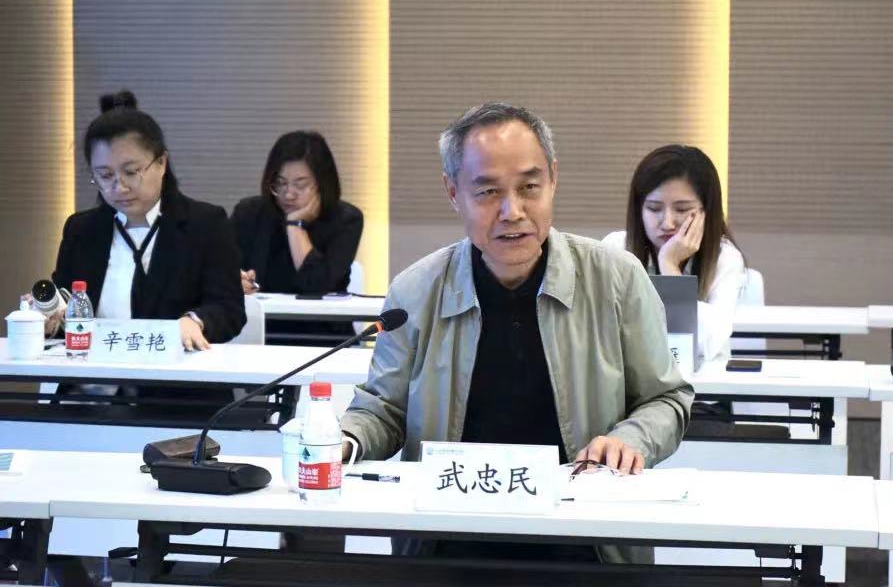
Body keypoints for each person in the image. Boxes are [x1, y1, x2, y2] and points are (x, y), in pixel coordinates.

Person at [340, 103, 693, 564]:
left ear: (553, 180)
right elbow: (384, 410)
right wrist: (343, 439)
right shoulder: (416, 290)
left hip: (586, 542)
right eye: (488, 192)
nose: (513, 211)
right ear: (453, 193)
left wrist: (631, 439)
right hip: (447, 541)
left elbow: (666, 398)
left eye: (529, 187)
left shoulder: (616, 278)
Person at [46, 90, 245, 396]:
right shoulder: (82, 229)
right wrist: (47, 316)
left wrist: (195, 321)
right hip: (88, 395)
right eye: (105, 175)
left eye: (131, 172)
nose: (119, 187)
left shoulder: (205, 224)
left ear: (161, 163)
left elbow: (229, 308)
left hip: (175, 397)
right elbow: (67, 307)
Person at [602, 145, 747, 363]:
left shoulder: (725, 258)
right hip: (632, 380)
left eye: (682, 209)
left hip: (703, 382)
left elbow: (707, 342)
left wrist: (669, 266)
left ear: (707, 211)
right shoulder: (616, 248)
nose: (667, 223)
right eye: (653, 208)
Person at [230, 131, 363, 343]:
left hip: (323, 339)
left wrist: (294, 225)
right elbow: (220, 271)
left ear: (322, 184)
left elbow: (315, 285)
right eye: (280, 184)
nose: (288, 194)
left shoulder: (346, 220)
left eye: (300, 185)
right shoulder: (248, 213)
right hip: (258, 336)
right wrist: (236, 280)